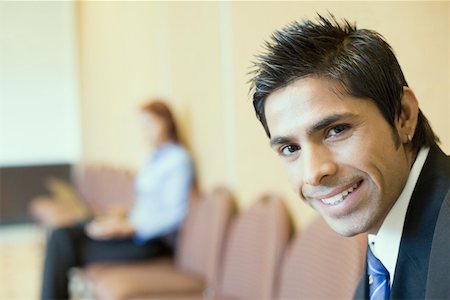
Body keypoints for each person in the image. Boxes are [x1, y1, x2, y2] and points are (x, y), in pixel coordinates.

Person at [249, 15, 450, 299]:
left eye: (336, 130)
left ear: (403, 115)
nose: (313, 173)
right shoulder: (385, 236)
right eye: (291, 149)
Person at [41, 100, 195, 300]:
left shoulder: (178, 159)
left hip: (150, 241)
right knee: (61, 234)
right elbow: (149, 202)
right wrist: (125, 214)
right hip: (132, 230)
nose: (145, 131)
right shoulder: (153, 158)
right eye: (142, 127)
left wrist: (131, 227)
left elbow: (176, 213)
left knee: (65, 250)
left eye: (149, 124)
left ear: (165, 122)